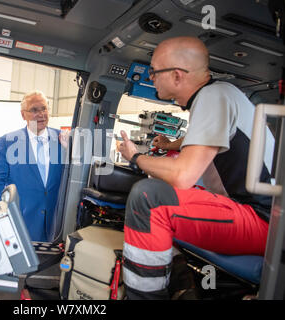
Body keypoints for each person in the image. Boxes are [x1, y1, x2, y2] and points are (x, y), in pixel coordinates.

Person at [116, 36, 274, 300]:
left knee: (149, 198)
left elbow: (182, 176)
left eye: (154, 71)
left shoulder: (213, 97)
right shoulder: (220, 95)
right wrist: (169, 145)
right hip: (256, 215)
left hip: (264, 221)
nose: (150, 76)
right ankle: (181, 285)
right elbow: (197, 143)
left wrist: (135, 157)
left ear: (177, 76)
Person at [0, 90, 68, 242]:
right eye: (34, 110)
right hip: (21, 226)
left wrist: (71, 151)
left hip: (57, 226)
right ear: (23, 115)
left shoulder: (62, 139)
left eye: (44, 108)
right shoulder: (8, 142)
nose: (41, 114)